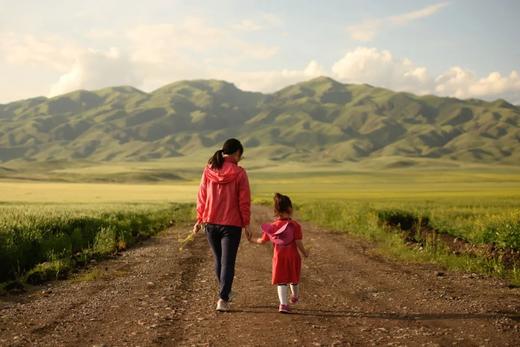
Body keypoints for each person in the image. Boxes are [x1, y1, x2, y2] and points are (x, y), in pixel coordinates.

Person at [193, 138, 252, 312]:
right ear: (236, 153)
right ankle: (222, 298)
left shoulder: (208, 170)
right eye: (240, 155)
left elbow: (201, 197)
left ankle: (224, 292)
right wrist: (246, 224)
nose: (240, 159)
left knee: (219, 260)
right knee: (228, 262)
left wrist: (199, 219)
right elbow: (244, 202)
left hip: (210, 223)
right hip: (231, 225)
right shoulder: (240, 173)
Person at [253, 193, 309, 313]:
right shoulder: (295, 225)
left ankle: (283, 305)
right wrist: (305, 253)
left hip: (279, 258)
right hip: (293, 257)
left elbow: (262, 241)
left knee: (282, 281)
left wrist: (252, 239)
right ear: (290, 209)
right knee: (294, 279)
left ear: (276, 210)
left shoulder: (272, 226)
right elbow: (298, 242)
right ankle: (295, 296)